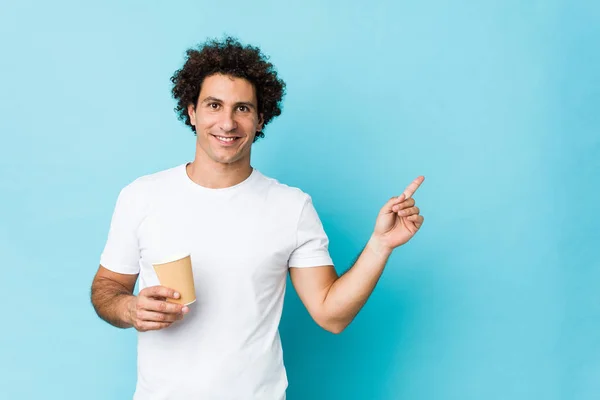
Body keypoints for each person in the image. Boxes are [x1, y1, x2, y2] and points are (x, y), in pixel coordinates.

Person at [90, 36, 425, 400]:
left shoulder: (291, 207)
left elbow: (332, 315)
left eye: (243, 108)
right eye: (214, 105)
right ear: (192, 112)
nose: (227, 122)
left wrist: (380, 245)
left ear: (260, 118)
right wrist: (130, 307)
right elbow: (107, 287)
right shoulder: (142, 195)